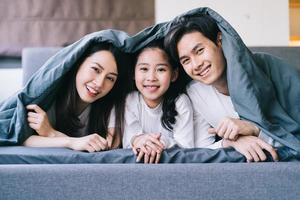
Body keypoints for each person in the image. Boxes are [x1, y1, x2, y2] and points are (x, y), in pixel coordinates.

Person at [163, 14, 300, 162]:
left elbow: (294, 139)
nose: (196, 65)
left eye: (200, 51)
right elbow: (200, 149)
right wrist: (232, 142)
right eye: (186, 60)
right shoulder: (195, 93)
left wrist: (255, 130)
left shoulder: (266, 68)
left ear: (219, 41)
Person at [23, 42, 129, 152]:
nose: (99, 83)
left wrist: (52, 133)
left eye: (110, 78)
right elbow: (24, 140)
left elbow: (110, 147)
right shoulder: (50, 97)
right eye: (96, 69)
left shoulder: (113, 107)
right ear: (78, 63)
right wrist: (72, 142)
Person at [123, 41, 194, 163]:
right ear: (133, 73)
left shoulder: (180, 102)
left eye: (161, 69)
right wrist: (139, 140)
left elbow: (186, 146)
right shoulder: (130, 100)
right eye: (144, 69)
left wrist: (161, 143)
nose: (151, 77)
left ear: (174, 74)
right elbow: (129, 141)